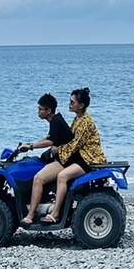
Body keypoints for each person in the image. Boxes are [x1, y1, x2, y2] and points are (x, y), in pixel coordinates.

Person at [41, 88, 106, 226]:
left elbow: (74, 145)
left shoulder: (85, 122)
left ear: (81, 105)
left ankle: (56, 213)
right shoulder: (78, 118)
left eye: (72, 102)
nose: (69, 104)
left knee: (62, 176)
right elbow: (69, 138)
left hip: (89, 158)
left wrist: (57, 151)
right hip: (82, 156)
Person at [17, 93, 75, 225]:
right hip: (64, 158)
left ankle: (30, 215)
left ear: (48, 111)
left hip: (65, 161)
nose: (38, 112)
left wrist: (31, 146)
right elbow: (49, 138)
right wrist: (29, 144)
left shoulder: (56, 121)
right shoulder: (56, 120)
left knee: (38, 179)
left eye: (40, 109)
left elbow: (49, 141)